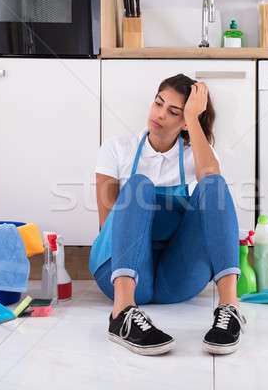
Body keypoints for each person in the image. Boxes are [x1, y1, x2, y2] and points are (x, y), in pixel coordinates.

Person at [90, 74, 246, 356]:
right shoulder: (116, 149)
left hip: (176, 278)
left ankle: (230, 308)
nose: (160, 114)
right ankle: (122, 314)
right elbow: (106, 225)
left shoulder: (196, 153)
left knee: (214, 184)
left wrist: (193, 119)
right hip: (124, 273)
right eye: (158, 103)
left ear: (186, 120)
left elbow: (210, 177)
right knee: (139, 184)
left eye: (174, 111)